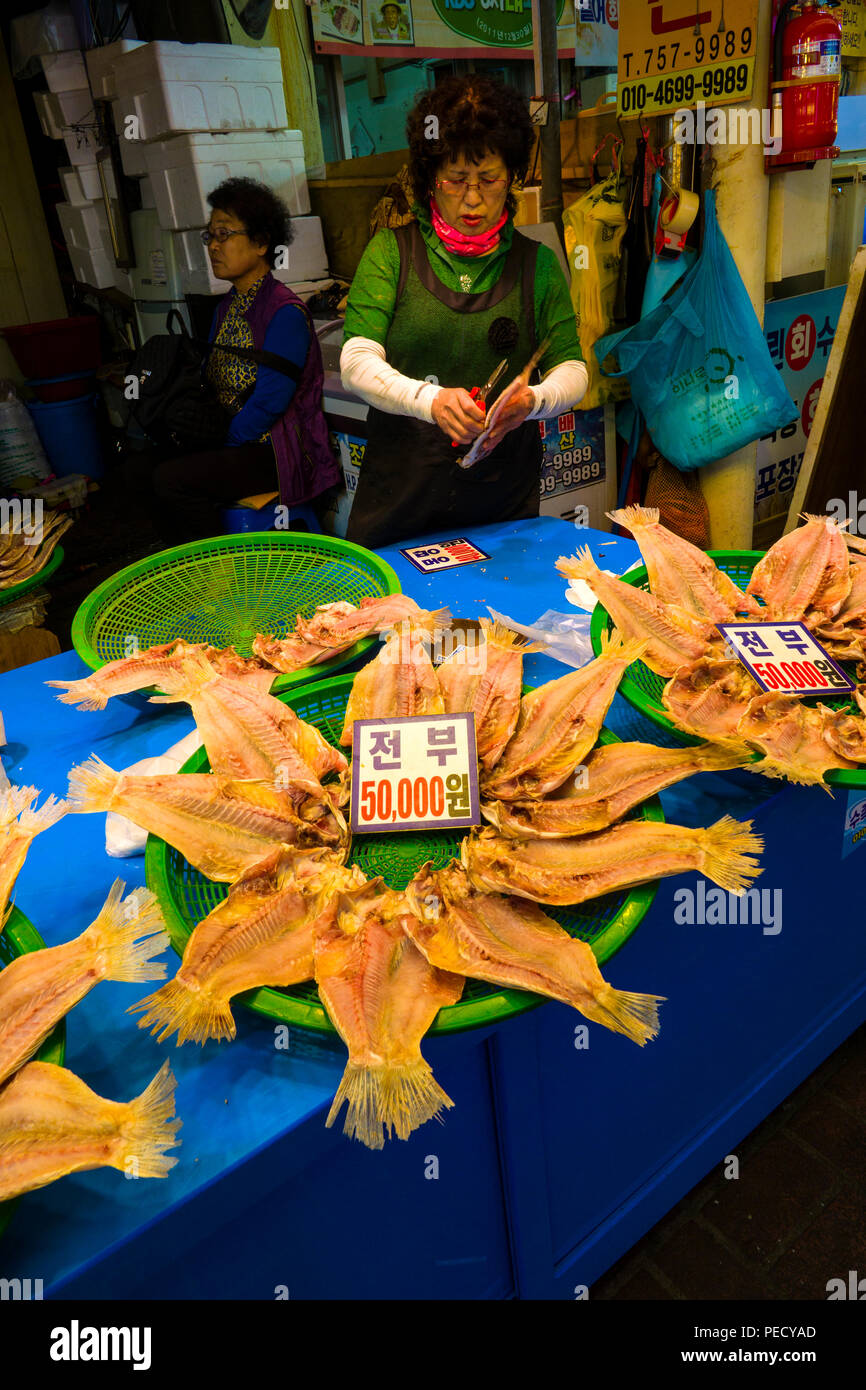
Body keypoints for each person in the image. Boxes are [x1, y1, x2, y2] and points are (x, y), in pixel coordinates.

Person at [340, 73, 587, 551]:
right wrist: (428, 401)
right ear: (431, 176)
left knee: (500, 625)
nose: (472, 199)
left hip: (501, 510)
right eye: (456, 180)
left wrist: (533, 401)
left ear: (512, 176)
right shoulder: (391, 254)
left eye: (489, 179)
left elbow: (574, 372)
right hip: (400, 503)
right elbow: (355, 363)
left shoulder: (537, 265)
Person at [131, 178, 338, 541]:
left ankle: (220, 575)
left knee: (172, 481)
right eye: (209, 236)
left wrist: (221, 440)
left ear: (260, 243)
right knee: (144, 466)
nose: (213, 246)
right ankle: (188, 568)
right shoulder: (227, 306)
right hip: (236, 441)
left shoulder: (283, 312)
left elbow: (270, 402)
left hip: (274, 450)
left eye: (224, 234)